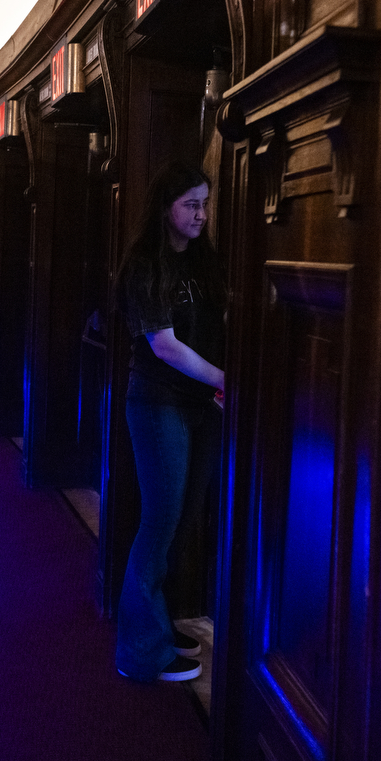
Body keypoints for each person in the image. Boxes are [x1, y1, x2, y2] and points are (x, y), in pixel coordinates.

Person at [114, 159, 226, 683]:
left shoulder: (204, 262)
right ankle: (140, 652)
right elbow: (165, 347)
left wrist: (217, 386)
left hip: (199, 405)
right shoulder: (143, 264)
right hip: (158, 404)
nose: (202, 214)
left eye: (206, 203)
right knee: (159, 522)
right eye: (191, 204)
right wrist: (225, 380)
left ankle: (157, 626)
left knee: (180, 523)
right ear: (166, 209)